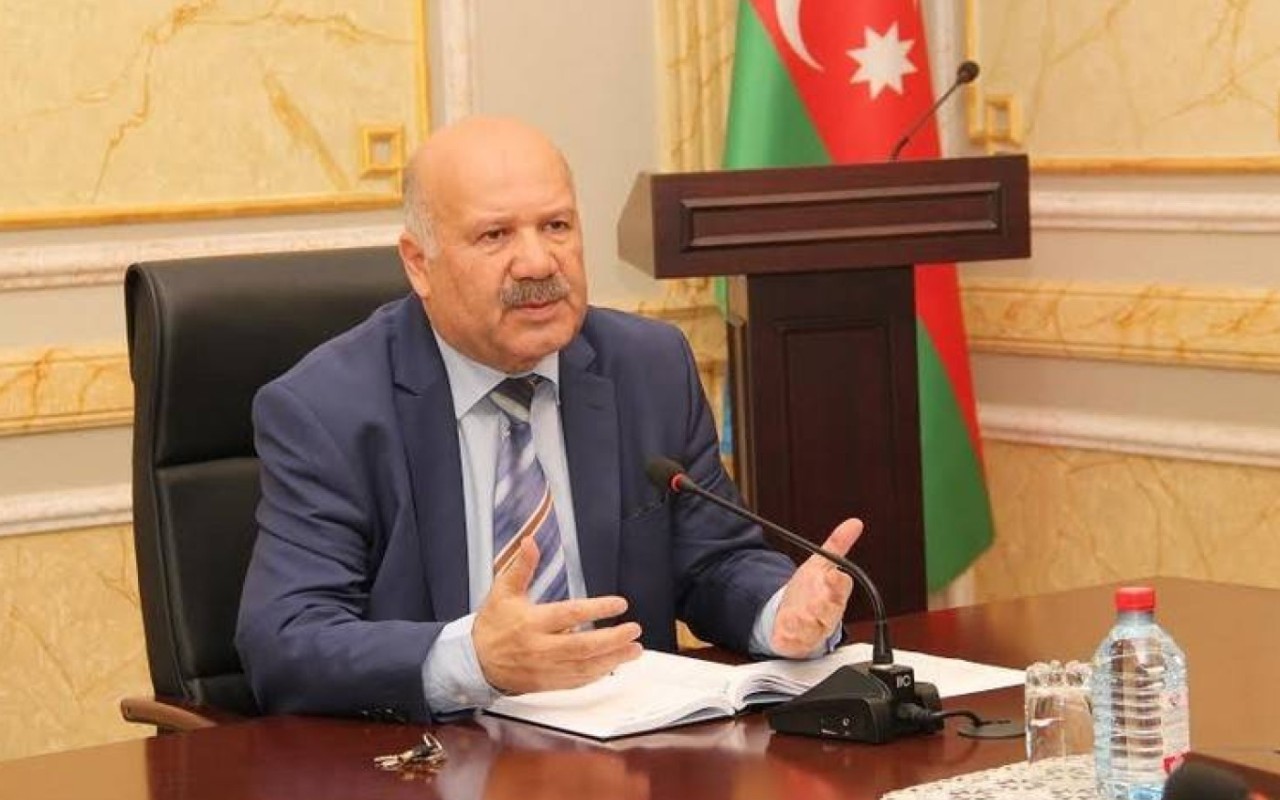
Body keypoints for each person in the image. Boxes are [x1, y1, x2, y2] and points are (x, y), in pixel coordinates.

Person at [235, 116, 861, 722]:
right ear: (419, 263)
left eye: (556, 225)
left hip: (635, 746)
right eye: (495, 236)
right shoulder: (329, 408)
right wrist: (474, 659)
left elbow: (714, 562)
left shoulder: (647, 366)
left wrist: (779, 610)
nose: (537, 263)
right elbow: (286, 639)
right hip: (442, 754)